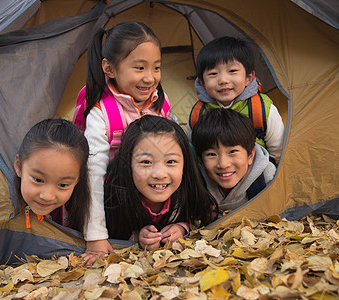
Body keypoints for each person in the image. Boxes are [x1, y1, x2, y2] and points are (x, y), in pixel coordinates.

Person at [79, 21, 177, 261]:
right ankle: (131, 234)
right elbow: (93, 174)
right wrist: (96, 236)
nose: (150, 77)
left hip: (155, 190)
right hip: (118, 200)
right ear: (109, 69)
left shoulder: (160, 105)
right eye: (140, 67)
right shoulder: (101, 114)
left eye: (156, 67)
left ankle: (176, 224)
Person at [104, 115, 218, 249]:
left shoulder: (189, 194)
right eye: (146, 162)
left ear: (185, 165)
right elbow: (114, 232)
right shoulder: (114, 200)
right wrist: (137, 237)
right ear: (128, 164)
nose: (159, 174)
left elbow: (200, 217)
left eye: (171, 162)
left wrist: (182, 228)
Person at [187, 36, 284, 163]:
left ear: (249, 78)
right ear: (202, 82)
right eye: (213, 74)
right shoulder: (198, 113)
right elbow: (193, 152)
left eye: (232, 71)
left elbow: (279, 153)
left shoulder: (261, 109)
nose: (223, 80)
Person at [192, 108, 276, 212]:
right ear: (201, 159)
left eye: (232, 152)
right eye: (212, 154)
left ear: (250, 155)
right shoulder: (197, 183)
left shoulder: (267, 177)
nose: (223, 164)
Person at [14, 118, 90, 232]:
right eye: (38, 180)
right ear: (18, 166)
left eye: (63, 185)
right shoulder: (0, 208)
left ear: (78, 179)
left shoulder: (81, 211)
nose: (47, 196)